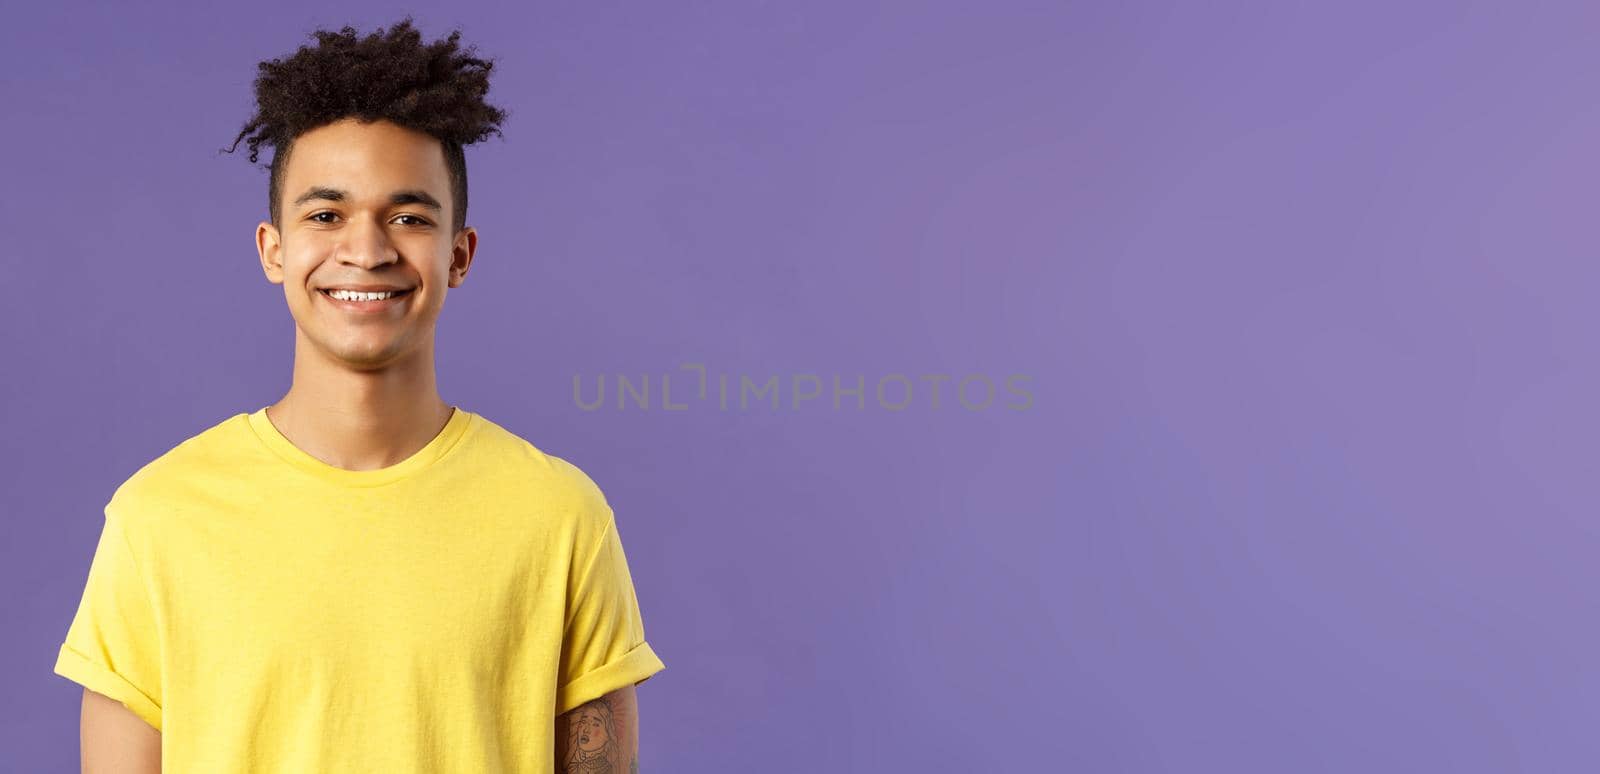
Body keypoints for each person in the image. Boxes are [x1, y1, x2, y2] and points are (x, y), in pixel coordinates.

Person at [51, 16, 664, 773]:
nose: (367, 250)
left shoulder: (562, 519)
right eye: (325, 214)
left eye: (408, 217)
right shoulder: (157, 520)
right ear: (274, 250)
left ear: (459, 254)